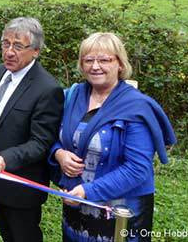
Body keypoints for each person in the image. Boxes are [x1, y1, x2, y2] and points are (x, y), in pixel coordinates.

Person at [49, 32, 176, 242]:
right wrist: (59, 153)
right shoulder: (71, 96)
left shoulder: (136, 108)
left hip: (121, 215)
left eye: (104, 60)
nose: (95, 66)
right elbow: (51, 135)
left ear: (120, 64)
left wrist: (88, 190)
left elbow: (137, 168)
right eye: (88, 60)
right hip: (77, 208)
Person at [0, 17, 64, 242]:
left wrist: (6, 158)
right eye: (5, 44)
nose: (9, 51)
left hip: (21, 186)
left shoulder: (47, 89)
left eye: (18, 46)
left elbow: (41, 142)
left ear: (35, 51)